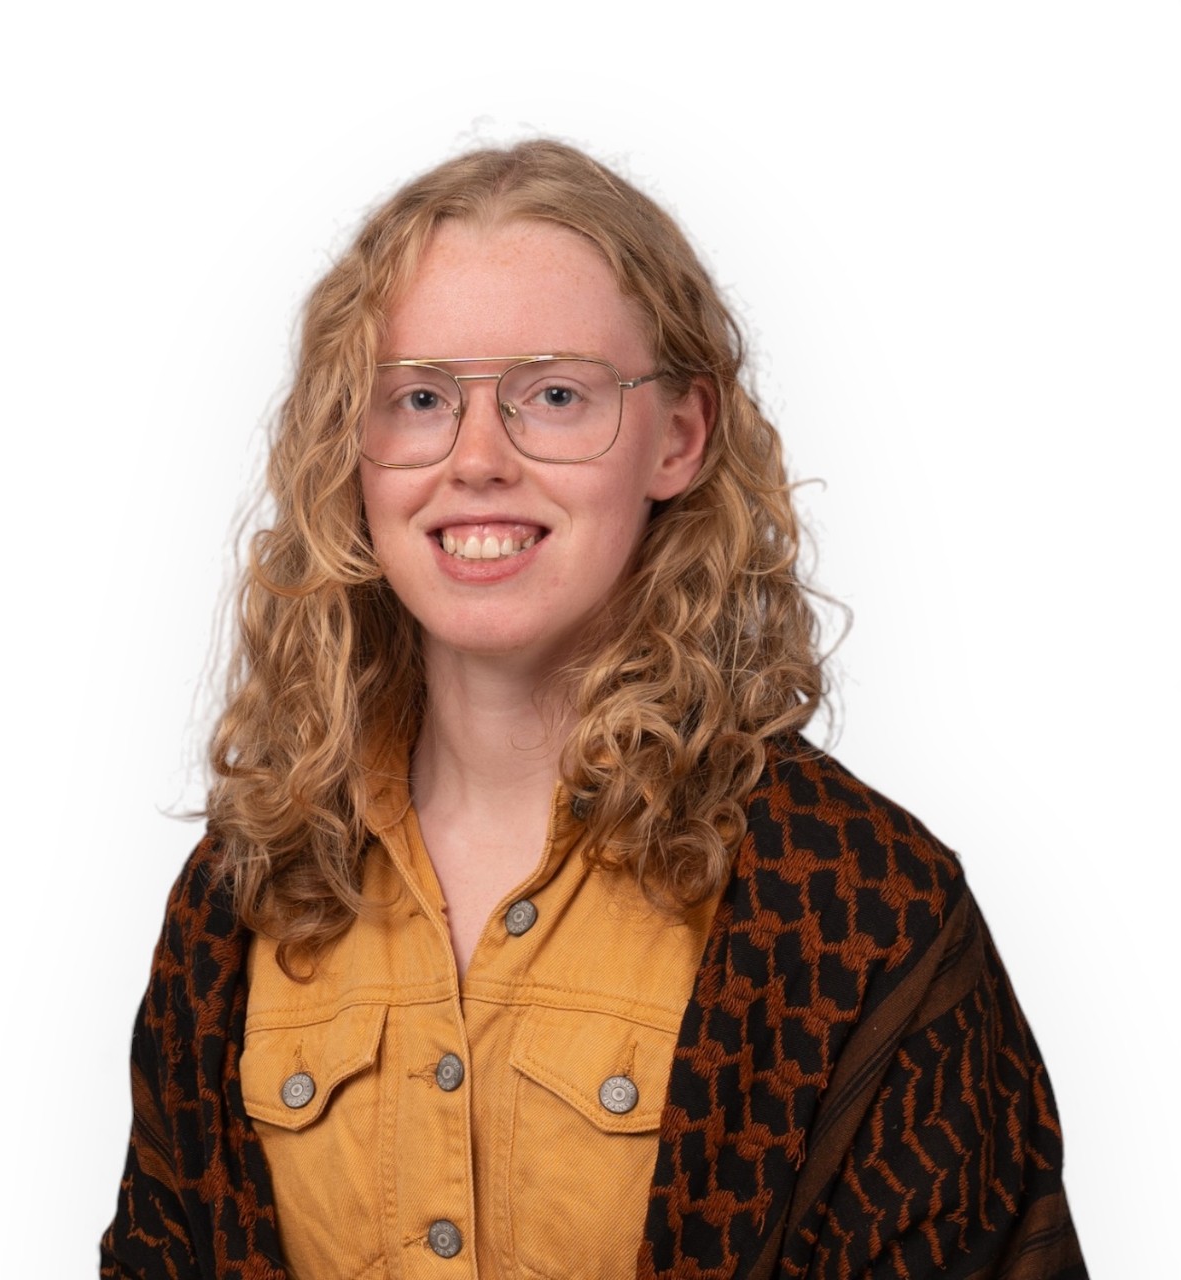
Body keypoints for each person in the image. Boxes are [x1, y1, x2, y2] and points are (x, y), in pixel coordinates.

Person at [101, 141, 1086, 1279]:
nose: (476, 458)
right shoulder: (248, 889)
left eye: (554, 396)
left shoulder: (861, 907)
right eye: (419, 398)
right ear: (350, 450)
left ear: (678, 436)